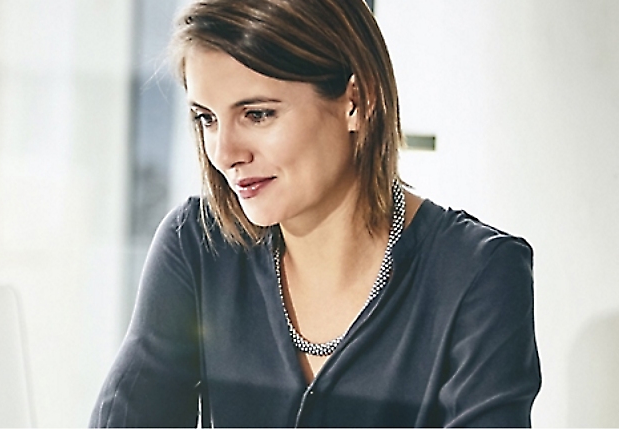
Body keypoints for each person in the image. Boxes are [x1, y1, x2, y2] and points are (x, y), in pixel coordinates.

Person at [89, 0, 541, 427]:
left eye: (258, 114)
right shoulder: (199, 246)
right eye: (206, 119)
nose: (224, 153)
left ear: (356, 102)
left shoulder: (478, 275)